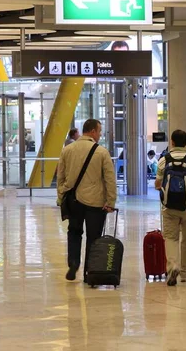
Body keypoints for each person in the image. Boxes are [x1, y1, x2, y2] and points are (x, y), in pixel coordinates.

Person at [58, 119, 117, 281]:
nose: (100, 134)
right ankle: (90, 271)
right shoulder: (102, 152)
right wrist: (111, 202)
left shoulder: (67, 150)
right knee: (94, 237)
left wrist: (60, 197)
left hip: (74, 201)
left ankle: (73, 263)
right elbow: (110, 179)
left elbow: (60, 176)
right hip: (95, 203)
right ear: (92, 131)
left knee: (74, 232)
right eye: (99, 131)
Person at [155, 130, 186, 286]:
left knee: (170, 238)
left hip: (169, 207)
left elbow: (157, 184)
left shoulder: (164, 160)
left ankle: (173, 266)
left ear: (172, 142)